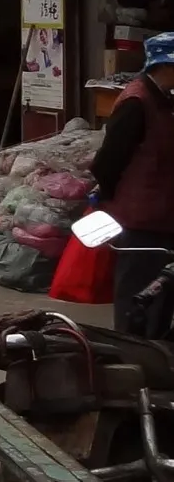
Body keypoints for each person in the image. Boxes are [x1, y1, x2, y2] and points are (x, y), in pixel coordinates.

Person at [92, 33, 174, 330]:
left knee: (161, 295)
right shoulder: (137, 102)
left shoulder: (163, 98)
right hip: (140, 221)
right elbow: (107, 162)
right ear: (164, 67)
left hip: (162, 217)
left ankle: (155, 358)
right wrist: (111, 199)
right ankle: (132, 358)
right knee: (136, 296)